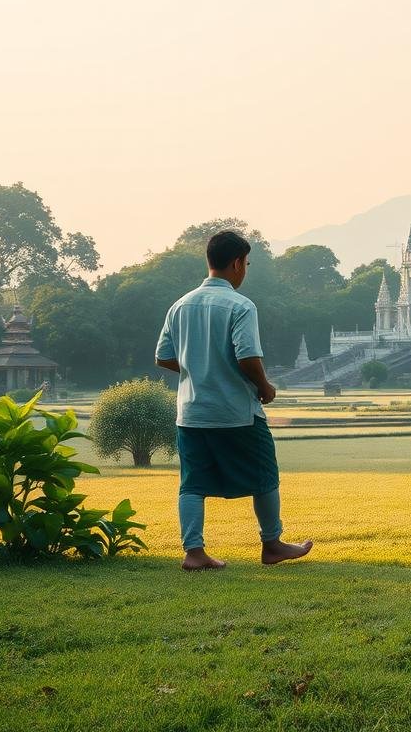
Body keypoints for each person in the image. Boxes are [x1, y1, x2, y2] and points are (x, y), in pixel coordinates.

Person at [155, 230, 313, 571]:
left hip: (191, 412)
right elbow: (247, 357)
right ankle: (272, 544)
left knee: (193, 482)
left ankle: (194, 552)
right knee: (265, 474)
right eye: (247, 263)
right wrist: (265, 386)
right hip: (235, 411)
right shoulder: (241, 305)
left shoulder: (180, 305)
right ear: (237, 263)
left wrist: (198, 368)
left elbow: (163, 357)